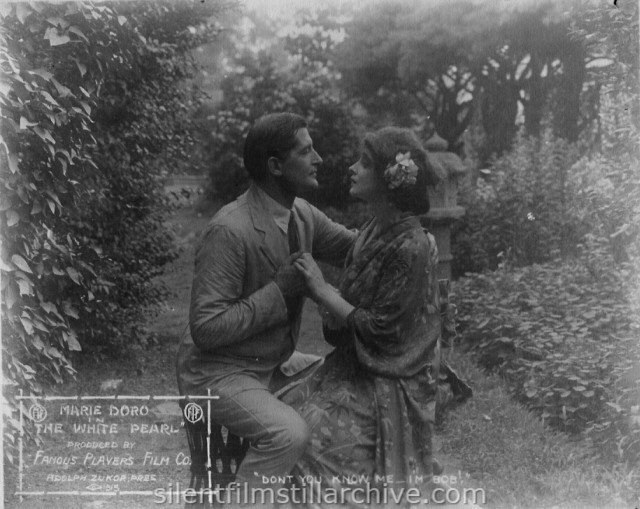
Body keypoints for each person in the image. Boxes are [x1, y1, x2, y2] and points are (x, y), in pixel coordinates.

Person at [175, 113, 356, 494]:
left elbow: (355, 249)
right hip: (216, 373)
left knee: (347, 381)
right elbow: (206, 329)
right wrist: (280, 290)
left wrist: (407, 235)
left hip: (269, 363)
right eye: (306, 151)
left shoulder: (302, 215)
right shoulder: (230, 229)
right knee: (289, 432)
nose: (318, 159)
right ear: (275, 166)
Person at [282, 126, 445, 506]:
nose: (353, 168)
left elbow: (381, 330)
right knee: (284, 416)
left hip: (387, 378)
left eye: (365, 163)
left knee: (309, 441)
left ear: (391, 180)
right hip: (355, 367)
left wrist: (322, 291)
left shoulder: (412, 245)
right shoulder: (373, 230)